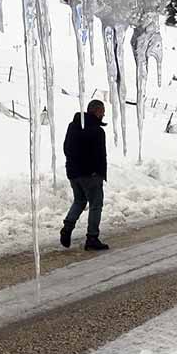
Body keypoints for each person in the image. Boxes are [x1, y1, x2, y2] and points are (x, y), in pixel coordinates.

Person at [60, 100, 110, 251]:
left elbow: (66, 148)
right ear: (96, 111)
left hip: (73, 173)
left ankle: (67, 227)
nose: (104, 114)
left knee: (79, 200)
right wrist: (98, 172)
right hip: (91, 176)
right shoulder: (97, 131)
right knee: (96, 204)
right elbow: (100, 155)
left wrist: (74, 166)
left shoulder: (73, 126)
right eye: (102, 111)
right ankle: (92, 238)